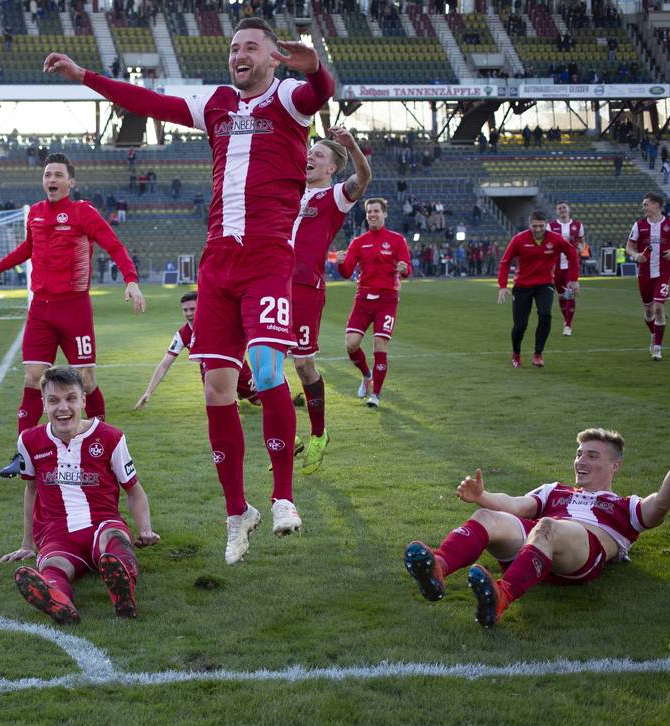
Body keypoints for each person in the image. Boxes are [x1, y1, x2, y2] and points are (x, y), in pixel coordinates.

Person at [43, 17, 334, 562]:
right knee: (216, 392)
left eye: (251, 47)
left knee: (269, 370)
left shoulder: (291, 99)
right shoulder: (218, 103)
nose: (238, 54)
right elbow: (149, 101)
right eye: (233, 47)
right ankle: (236, 512)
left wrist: (314, 65)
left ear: (274, 58)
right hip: (218, 264)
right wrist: (85, 76)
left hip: (269, 258)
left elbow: (321, 91)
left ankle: (284, 498)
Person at [402, 411, 670, 628]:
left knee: (548, 526)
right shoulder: (555, 491)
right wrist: (482, 497)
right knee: (487, 516)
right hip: (535, 548)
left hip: (578, 555)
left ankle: (501, 597)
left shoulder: (624, 507)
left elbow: (663, 503)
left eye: (591, 455)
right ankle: (437, 569)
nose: (580, 460)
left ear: (615, 466)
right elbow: (516, 505)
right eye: (579, 453)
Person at [0, 153, 146, 479]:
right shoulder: (35, 214)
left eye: (57, 175)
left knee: (88, 381)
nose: (51, 179)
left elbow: (115, 247)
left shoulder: (83, 213)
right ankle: (23, 455)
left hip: (75, 308)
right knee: (33, 377)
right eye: (47, 174)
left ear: (70, 182)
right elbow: (27, 249)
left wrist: (131, 281)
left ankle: (102, 447)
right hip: (41, 308)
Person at [0, 366, 159, 624]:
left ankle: (123, 588)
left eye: (71, 399)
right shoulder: (29, 440)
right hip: (57, 533)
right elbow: (31, 490)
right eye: (54, 401)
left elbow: (134, 489)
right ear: (43, 404)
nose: (63, 408)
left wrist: (145, 529)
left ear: (83, 400)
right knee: (53, 565)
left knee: (114, 540)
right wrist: (27, 544)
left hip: (103, 523)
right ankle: (57, 598)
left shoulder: (110, 436)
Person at [289, 126, 371, 469]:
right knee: (263, 359)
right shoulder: (291, 192)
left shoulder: (334, 196)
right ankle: (285, 436)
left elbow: (363, 178)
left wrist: (349, 145)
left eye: (318, 154)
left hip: (305, 286)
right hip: (272, 283)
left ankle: (319, 434)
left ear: (331, 168)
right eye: (310, 152)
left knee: (303, 365)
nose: (310, 157)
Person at [134, 291, 260, 412]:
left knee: (257, 401)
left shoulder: (219, 323)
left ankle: (240, 391)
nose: (188, 313)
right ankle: (232, 394)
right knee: (223, 408)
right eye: (185, 310)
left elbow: (244, 340)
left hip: (236, 365)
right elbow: (164, 364)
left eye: (192, 309)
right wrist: (148, 392)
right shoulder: (182, 335)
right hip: (210, 371)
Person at [338, 198, 411, 407]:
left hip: (387, 300)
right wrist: (341, 263)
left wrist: (404, 269)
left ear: (384, 214)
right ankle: (366, 374)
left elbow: (406, 268)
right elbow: (346, 272)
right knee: (351, 344)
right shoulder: (358, 242)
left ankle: (375, 395)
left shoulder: (397, 240)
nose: (372, 214)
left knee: (380, 345)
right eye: (369, 211)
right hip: (363, 298)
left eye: (376, 211)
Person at [497, 211, 580, 368]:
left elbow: (572, 254)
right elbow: (505, 262)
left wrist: (574, 279)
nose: (538, 229)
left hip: (545, 284)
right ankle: (516, 353)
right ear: (530, 225)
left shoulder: (555, 239)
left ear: (546, 224)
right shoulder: (519, 239)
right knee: (520, 326)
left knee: (545, 315)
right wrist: (502, 286)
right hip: (522, 286)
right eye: (534, 226)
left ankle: (538, 354)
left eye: (541, 226)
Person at [626, 192, 670, 361]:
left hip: (663, 272)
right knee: (649, 311)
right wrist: (637, 256)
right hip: (645, 273)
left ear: (656, 205)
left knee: (659, 308)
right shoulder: (639, 225)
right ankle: (653, 333)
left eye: (646, 204)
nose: (643, 207)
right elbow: (629, 247)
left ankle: (657, 348)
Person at [549, 202, 586, 336]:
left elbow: (582, 241)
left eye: (564, 208)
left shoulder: (577, 225)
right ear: (557, 211)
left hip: (571, 265)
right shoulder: (551, 226)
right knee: (561, 295)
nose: (562, 210)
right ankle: (566, 320)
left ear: (568, 209)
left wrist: (581, 248)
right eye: (559, 208)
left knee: (570, 292)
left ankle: (568, 325)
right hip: (557, 265)